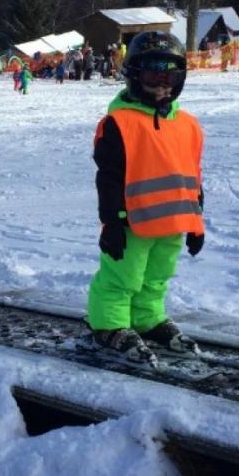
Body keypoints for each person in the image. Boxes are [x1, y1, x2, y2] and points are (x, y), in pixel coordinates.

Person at [85, 30, 205, 364]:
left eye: (171, 75)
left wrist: (196, 221)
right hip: (132, 222)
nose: (162, 84)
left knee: (156, 277)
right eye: (153, 74)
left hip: (173, 223)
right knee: (122, 277)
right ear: (134, 75)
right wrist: (111, 222)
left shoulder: (188, 125)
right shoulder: (118, 124)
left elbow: (192, 175)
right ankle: (109, 324)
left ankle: (147, 317)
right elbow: (108, 178)